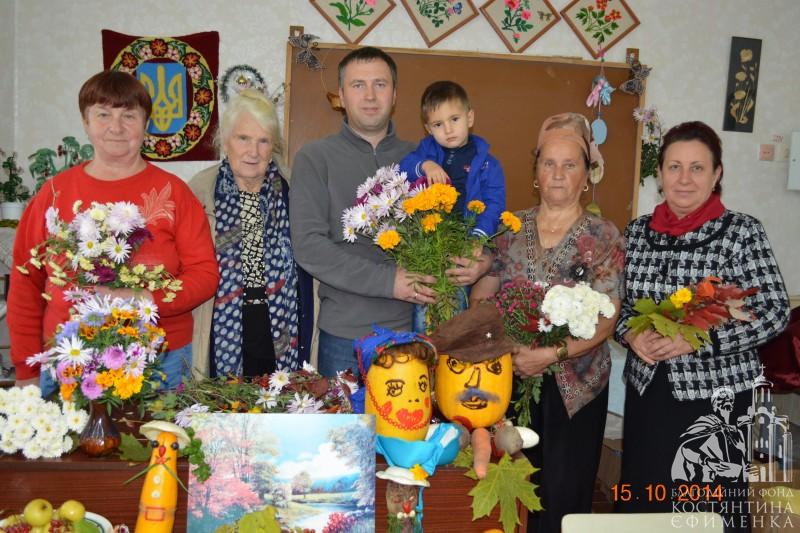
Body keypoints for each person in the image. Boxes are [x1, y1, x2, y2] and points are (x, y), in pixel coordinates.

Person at [614, 121, 789, 531]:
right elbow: (618, 306)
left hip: (717, 402)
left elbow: (774, 310)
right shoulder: (636, 233)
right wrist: (631, 334)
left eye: (697, 168)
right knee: (646, 504)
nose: (684, 179)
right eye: (674, 167)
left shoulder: (742, 233)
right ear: (660, 173)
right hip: (649, 394)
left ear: (716, 174)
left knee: (708, 513)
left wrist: (698, 341)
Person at [9, 70, 219, 391]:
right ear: (85, 121)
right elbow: (25, 285)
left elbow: (204, 275)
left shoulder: (175, 193)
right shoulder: (53, 195)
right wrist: (26, 369)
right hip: (69, 359)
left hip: (161, 361)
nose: (116, 127)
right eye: (103, 114)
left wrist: (144, 298)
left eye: (129, 115)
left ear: (146, 124)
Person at [290, 47, 492, 377]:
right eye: (358, 85)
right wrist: (389, 282)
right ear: (341, 95)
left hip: (418, 332)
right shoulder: (314, 158)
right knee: (345, 415)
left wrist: (482, 260)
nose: (370, 96)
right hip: (345, 337)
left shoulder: (428, 160)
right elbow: (309, 248)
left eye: (380, 84)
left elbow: (471, 220)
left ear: (395, 94)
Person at [471, 112, 624, 532]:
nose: (558, 174)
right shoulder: (509, 229)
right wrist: (505, 343)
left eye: (569, 164)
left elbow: (607, 318)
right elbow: (483, 293)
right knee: (512, 490)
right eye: (548, 163)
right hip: (512, 381)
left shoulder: (604, 235)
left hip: (577, 391)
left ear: (586, 175)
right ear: (535, 173)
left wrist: (550, 354)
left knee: (564, 497)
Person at [189, 89, 312, 378]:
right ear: (225, 141)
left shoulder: (294, 189)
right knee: (227, 401)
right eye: (243, 138)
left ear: (274, 147)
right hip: (222, 326)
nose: (253, 152)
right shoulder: (201, 191)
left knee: (282, 399)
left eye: (263, 141)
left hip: (282, 324)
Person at [398, 80, 506, 239]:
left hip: (470, 236)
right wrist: (425, 165)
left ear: (469, 118)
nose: (448, 130)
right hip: (431, 236)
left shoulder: (489, 164)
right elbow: (402, 170)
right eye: (438, 124)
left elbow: (494, 205)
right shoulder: (426, 152)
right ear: (428, 129)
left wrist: (478, 237)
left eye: (454, 119)